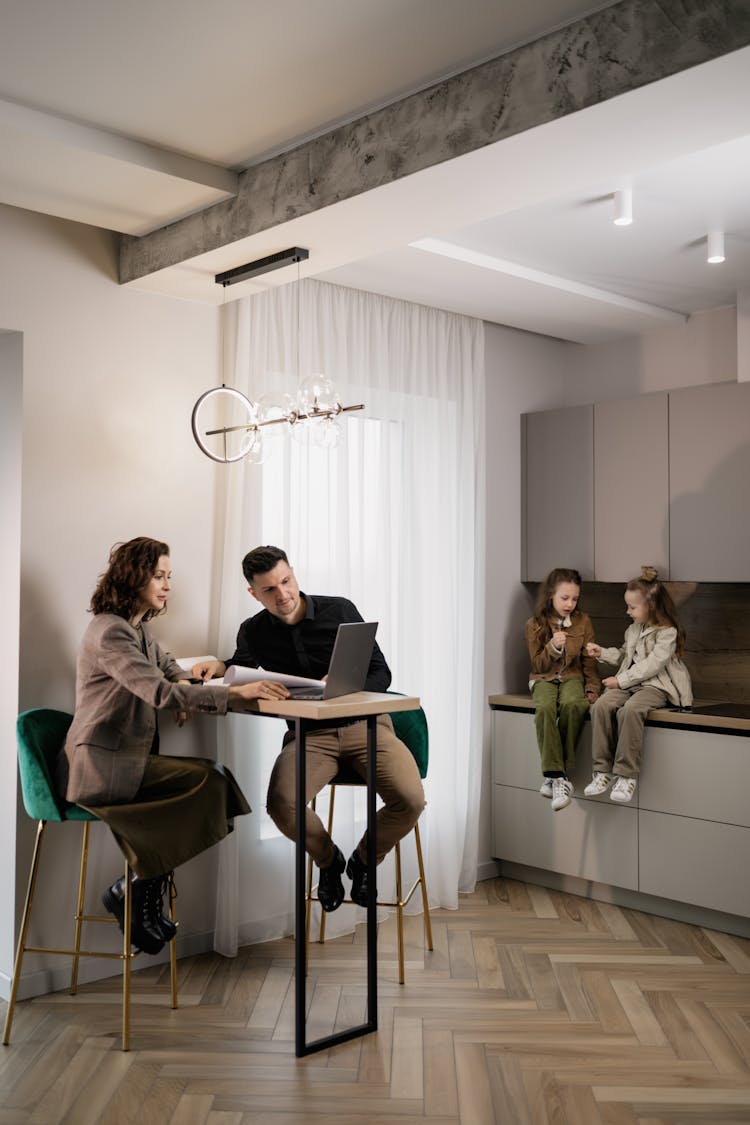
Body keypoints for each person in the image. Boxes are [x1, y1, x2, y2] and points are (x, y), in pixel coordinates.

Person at [57, 536, 290, 955]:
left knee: (214, 786)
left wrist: (183, 679)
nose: (167, 585)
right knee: (213, 782)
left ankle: (134, 889)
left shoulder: (136, 629)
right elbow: (159, 693)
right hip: (100, 767)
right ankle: (136, 888)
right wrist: (237, 693)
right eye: (159, 576)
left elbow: (167, 670)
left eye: (169, 577)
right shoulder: (110, 631)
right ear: (134, 578)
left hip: (126, 761)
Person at [192, 545, 426, 913]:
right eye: (269, 590)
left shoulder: (341, 610)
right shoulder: (253, 632)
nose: (282, 594)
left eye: (286, 581)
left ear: (294, 574)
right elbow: (241, 666)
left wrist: (349, 686)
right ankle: (329, 862)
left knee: (411, 801)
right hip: (309, 737)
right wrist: (219, 666)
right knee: (281, 805)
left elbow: (381, 671)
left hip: (368, 728)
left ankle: (363, 862)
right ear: (253, 593)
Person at [584, 566, 692, 803]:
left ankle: (626, 775)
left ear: (651, 606)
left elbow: (652, 665)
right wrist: (601, 652)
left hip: (656, 686)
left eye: (633, 607)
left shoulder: (667, 633)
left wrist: (620, 680)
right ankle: (602, 771)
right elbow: (625, 656)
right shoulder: (633, 629)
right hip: (630, 684)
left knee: (631, 710)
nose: (628, 611)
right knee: (601, 705)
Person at [526, 568, 600, 812]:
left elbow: (589, 661)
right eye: (564, 598)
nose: (570, 604)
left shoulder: (583, 622)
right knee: (545, 708)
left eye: (575, 598)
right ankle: (558, 776)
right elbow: (538, 664)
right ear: (550, 595)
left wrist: (591, 688)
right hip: (543, 678)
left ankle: (555, 777)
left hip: (572, 676)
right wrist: (552, 648)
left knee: (573, 704)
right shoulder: (534, 624)